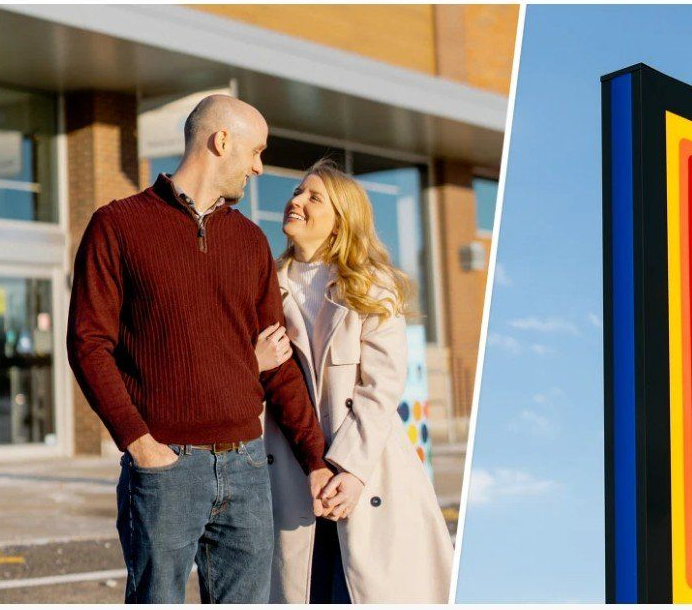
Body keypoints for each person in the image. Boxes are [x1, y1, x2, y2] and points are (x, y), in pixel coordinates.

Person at [66, 95, 335, 604]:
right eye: (256, 152)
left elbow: (277, 366)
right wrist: (141, 446)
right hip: (167, 468)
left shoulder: (251, 242)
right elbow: (88, 344)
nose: (259, 167)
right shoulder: (118, 225)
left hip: (248, 468)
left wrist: (314, 460)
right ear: (221, 141)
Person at [253, 159, 453, 603]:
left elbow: (380, 388)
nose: (295, 201)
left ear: (341, 220)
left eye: (313, 197)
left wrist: (350, 471)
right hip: (289, 476)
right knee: (303, 586)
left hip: (367, 475)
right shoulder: (264, 285)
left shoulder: (370, 285)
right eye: (297, 192)